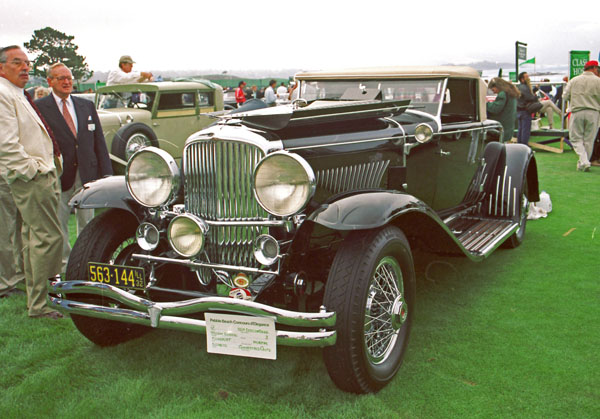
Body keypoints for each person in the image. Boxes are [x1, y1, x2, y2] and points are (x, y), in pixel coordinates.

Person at [0, 45, 64, 318]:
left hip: (42, 173)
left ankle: (36, 295)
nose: (25, 67)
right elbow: (6, 144)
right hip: (32, 178)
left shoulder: (17, 93)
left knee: (35, 239)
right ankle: (39, 304)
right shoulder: (4, 94)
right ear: (2, 67)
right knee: (48, 238)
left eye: (27, 62)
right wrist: (33, 170)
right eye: (17, 63)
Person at [36, 63, 113, 270]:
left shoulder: (85, 105)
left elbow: (99, 142)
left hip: (87, 174)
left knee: (87, 222)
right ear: (50, 81)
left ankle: (87, 262)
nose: (66, 82)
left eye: (69, 78)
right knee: (60, 224)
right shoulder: (40, 108)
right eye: (61, 78)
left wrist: (106, 174)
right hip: (60, 175)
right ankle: (64, 265)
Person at [563, 60, 600, 172]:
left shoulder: (574, 80)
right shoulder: (598, 81)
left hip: (577, 111)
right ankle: (584, 162)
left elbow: (565, 96)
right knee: (589, 139)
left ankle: (583, 162)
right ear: (594, 68)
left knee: (575, 139)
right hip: (593, 112)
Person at [0, 177, 24, 299]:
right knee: (4, 232)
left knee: (20, 229)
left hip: (16, 175)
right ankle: (5, 285)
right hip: (5, 175)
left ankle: (20, 274)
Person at [487, 78, 520, 142]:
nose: (493, 92)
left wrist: (485, 103)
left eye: (493, 90)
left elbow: (495, 109)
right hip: (509, 127)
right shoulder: (511, 92)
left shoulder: (503, 94)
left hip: (502, 126)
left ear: (497, 86)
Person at [516, 72, 541, 145]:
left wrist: (534, 89)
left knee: (520, 130)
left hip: (520, 110)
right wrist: (536, 97)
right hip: (525, 111)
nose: (528, 78)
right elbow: (530, 97)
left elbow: (526, 95)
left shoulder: (520, 87)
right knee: (525, 131)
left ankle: (520, 145)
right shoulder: (525, 87)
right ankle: (524, 146)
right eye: (527, 77)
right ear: (522, 79)